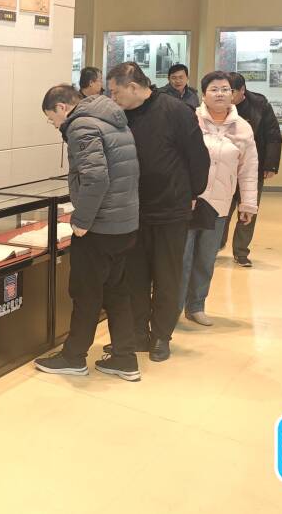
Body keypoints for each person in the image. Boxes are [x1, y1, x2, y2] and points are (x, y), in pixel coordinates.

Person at [35, 84, 141, 381]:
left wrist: (81, 221)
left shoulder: (81, 126)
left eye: (51, 118)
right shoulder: (114, 120)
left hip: (100, 227)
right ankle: (124, 358)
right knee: (117, 292)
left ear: (61, 107)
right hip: (124, 223)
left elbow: (95, 178)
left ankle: (73, 357)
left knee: (86, 293)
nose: (54, 125)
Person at [105, 62, 209, 362]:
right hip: (133, 211)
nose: (113, 98)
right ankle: (138, 333)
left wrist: (193, 193)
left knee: (167, 275)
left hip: (170, 209)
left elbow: (198, 157)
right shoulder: (120, 115)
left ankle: (162, 335)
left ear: (133, 87)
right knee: (134, 276)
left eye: (115, 92)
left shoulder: (175, 111)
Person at [179, 72, 259, 326]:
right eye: (214, 89)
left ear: (233, 94)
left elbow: (248, 170)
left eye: (225, 89)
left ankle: (196, 306)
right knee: (181, 259)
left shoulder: (243, 128)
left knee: (205, 259)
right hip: (189, 201)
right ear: (203, 94)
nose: (220, 94)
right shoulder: (190, 120)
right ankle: (172, 309)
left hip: (219, 204)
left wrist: (248, 204)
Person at [220, 72, 282, 267]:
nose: (226, 95)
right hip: (225, 167)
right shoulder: (218, 105)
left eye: (231, 91)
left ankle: (241, 251)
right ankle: (215, 245)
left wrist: (270, 165)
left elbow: (273, 135)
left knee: (247, 209)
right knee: (221, 210)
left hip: (252, 167)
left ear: (242, 91)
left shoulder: (260, 105)